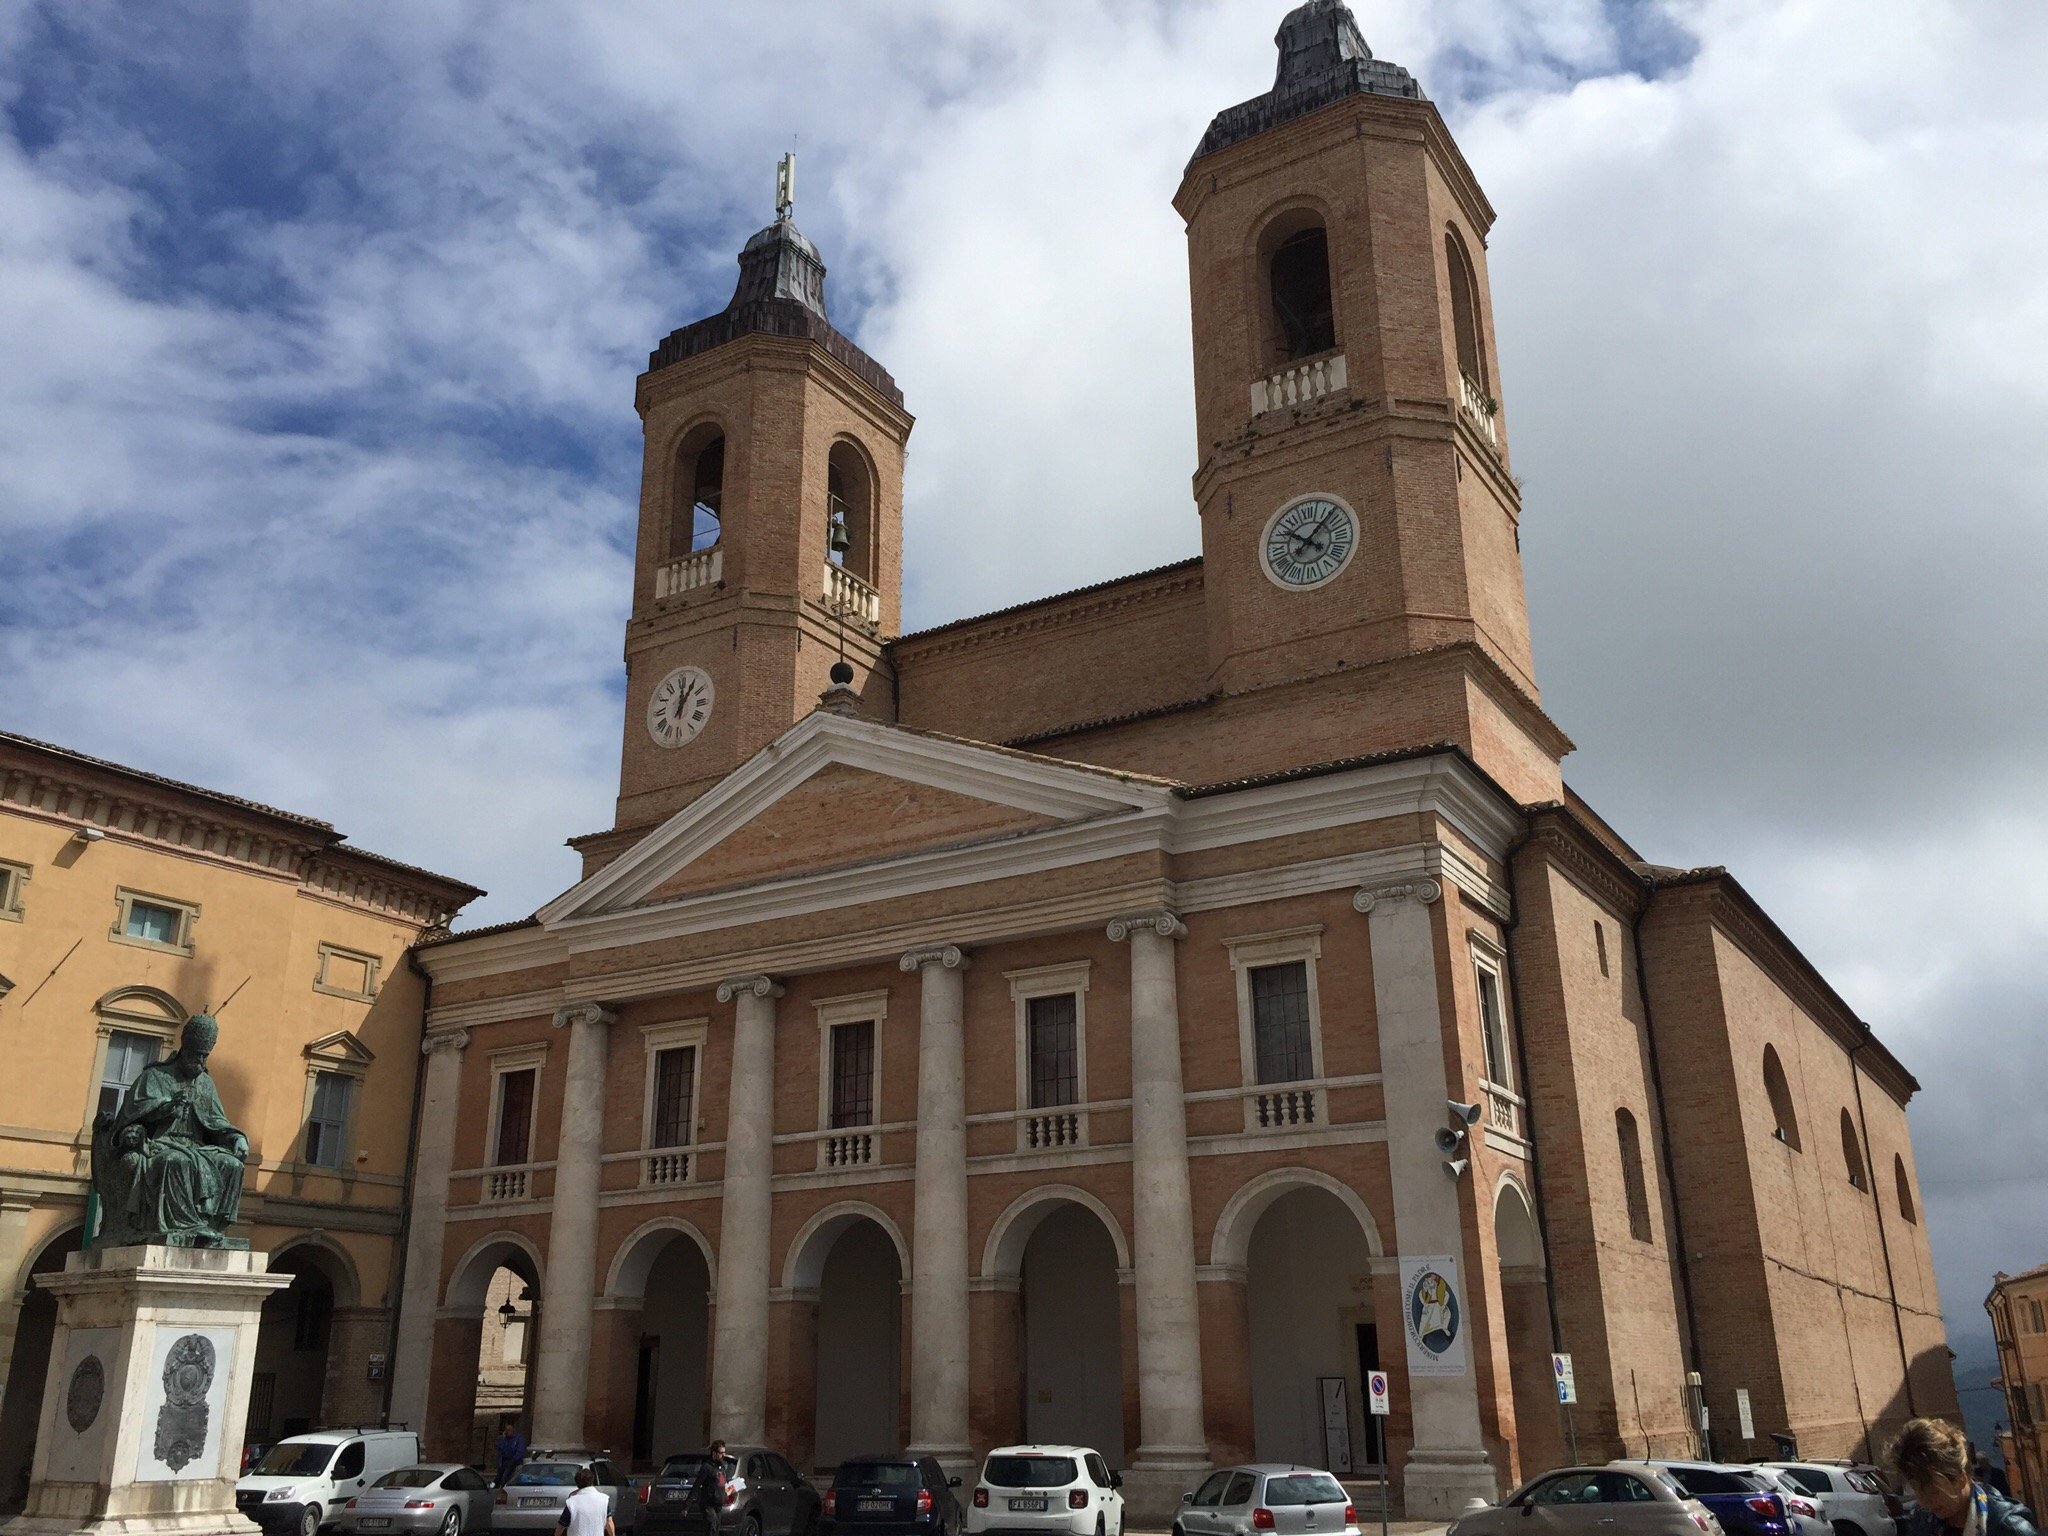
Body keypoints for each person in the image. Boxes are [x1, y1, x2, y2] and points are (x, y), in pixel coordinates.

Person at [1892, 1417, 2037, 1536]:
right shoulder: (1925, 1522)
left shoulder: (2009, 1530)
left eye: (1933, 1491)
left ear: (1961, 1478)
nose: (1925, 1503)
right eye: (1918, 1492)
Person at [558, 1468, 615, 1536]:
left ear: (577, 1484)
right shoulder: (604, 1500)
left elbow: (562, 1525)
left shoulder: (572, 1502)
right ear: (592, 1481)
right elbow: (609, 1522)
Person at [692, 1442, 735, 1532]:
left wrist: (733, 1488)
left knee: (716, 1529)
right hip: (708, 1504)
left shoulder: (721, 1467)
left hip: (718, 1505)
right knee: (712, 1525)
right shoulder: (707, 1467)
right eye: (721, 1453)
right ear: (714, 1453)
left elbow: (722, 1484)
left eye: (724, 1452)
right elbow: (696, 1485)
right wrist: (686, 1506)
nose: (723, 1455)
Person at [496, 1421, 527, 1486]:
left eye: (509, 1430)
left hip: (514, 1461)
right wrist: (503, 1439)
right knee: (498, 1477)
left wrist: (513, 1460)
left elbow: (520, 1451)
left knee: (506, 1476)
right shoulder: (504, 1439)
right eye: (506, 1430)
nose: (507, 1432)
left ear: (513, 1430)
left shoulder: (519, 1438)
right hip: (504, 1461)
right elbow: (500, 1449)